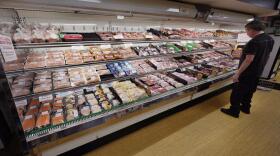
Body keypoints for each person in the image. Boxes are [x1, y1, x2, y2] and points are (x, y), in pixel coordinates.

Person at [221, 20, 274, 118]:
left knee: (237, 91)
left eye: (247, 30)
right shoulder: (269, 39)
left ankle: (234, 111)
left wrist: (238, 73)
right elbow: (265, 54)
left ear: (253, 30)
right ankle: (246, 108)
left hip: (247, 71)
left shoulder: (253, 41)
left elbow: (249, 60)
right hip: (258, 70)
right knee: (250, 90)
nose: (247, 33)